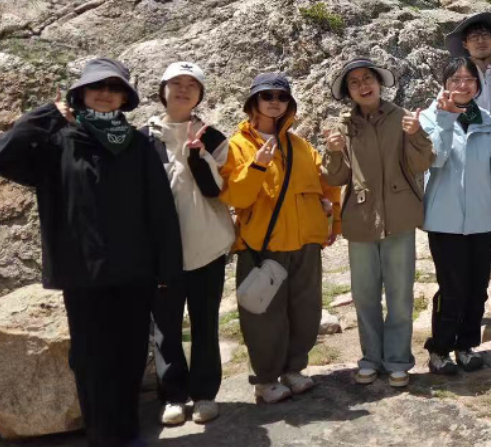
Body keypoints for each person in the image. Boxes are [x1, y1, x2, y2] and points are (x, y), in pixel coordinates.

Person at [0, 59, 182, 447]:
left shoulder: (138, 143)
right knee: (90, 359)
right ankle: (99, 443)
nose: (105, 93)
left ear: (125, 98)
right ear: (80, 94)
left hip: (134, 269)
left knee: (129, 354)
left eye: (114, 87)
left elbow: (160, 210)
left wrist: (166, 268)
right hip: (82, 274)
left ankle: (128, 431)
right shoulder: (56, 141)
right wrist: (46, 116)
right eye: (96, 87)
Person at [221, 73, 341, 404]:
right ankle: (265, 378)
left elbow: (328, 186)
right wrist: (257, 167)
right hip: (262, 247)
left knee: (306, 309)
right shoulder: (237, 146)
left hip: (305, 243)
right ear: (254, 103)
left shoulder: (301, 146)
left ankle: (294, 369)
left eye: (281, 96)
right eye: (267, 96)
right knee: (263, 316)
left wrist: (334, 223)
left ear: (289, 104)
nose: (275, 101)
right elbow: (236, 198)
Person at [324, 59, 434, 388]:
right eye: (354, 82)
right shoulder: (343, 126)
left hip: (399, 216)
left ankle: (398, 360)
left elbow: (422, 162)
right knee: (365, 295)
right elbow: (336, 176)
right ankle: (370, 358)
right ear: (349, 92)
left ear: (379, 82)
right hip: (359, 220)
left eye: (367, 78)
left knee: (400, 295)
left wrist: (415, 135)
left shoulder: (402, 117)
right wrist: (331, 153)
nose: (362, 85)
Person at [146, 62, 237, 427]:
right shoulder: (144, 138)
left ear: (200, 95)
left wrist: (198, 157)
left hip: (208, 246)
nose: (183, 90)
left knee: (205, 324)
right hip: (161, 251)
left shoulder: (213, 137)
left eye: (191, 85)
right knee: (165, 325)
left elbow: (218, 190)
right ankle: (172, 395)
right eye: (176, 84)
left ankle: (204, 394)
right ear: (163, 90)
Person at [419, 57, 491, 374]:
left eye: (469, 79)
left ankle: (467, 345)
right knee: (452, 288)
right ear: (445, 83)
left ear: (478, 84)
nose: (463, 84)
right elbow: (436, 160)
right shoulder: (429, 118)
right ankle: (440, 349)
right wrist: (446, 120)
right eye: (456, 78)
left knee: (477, 287)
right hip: (444, 220)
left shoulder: (485, 120)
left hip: (481, 220)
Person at [445, 12, 491, 331]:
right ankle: (468, 302)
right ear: (464, 43)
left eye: (485, 34)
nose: (479, 39)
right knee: (470, 240)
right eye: (472, 35)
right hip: (470, 170)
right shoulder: (458, 80)